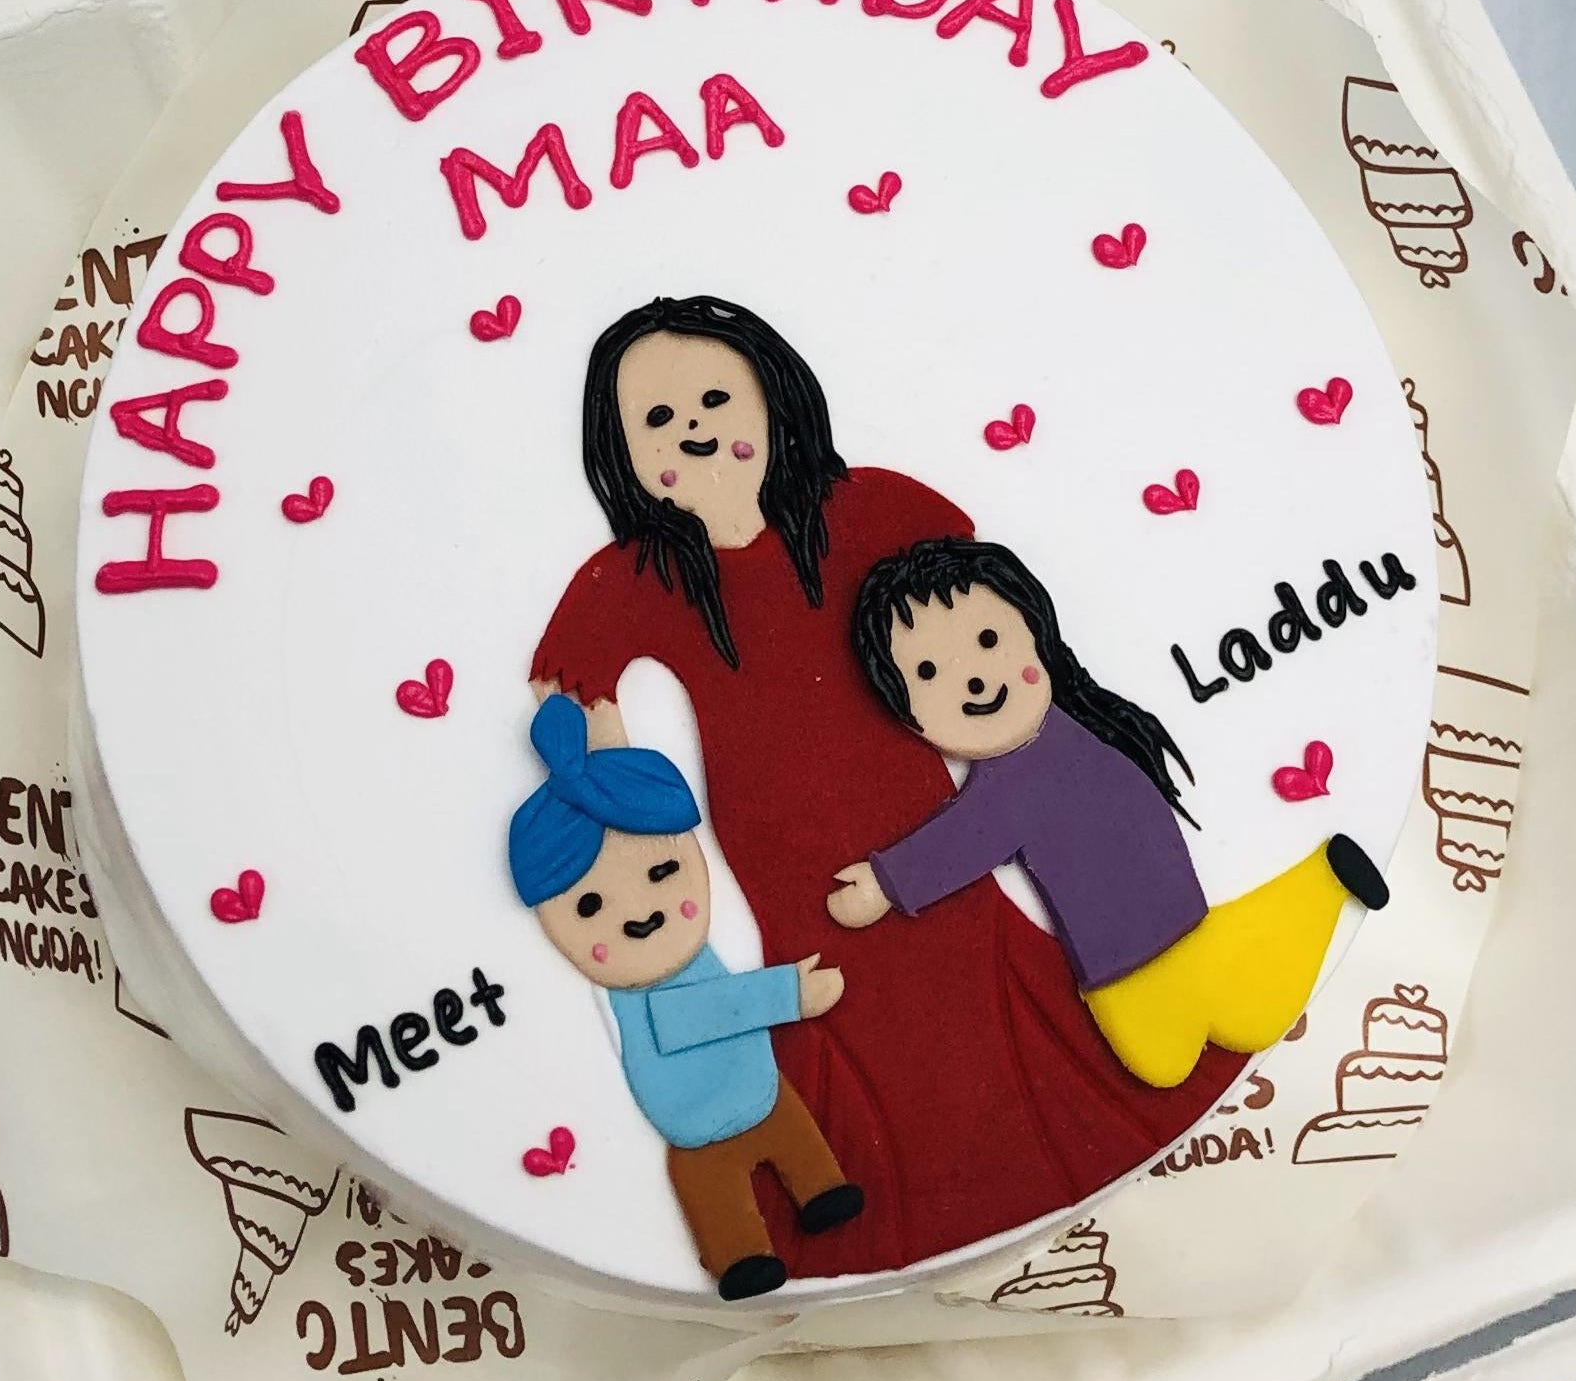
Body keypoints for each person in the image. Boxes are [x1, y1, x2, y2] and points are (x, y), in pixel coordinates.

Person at [530, 293, 1237, 1275]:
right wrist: (619, 803)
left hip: (915, 812)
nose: (690, 427)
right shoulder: (642, 573)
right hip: (779, 855)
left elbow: (972, 585)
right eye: (655, 418)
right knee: (840, 1001)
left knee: (965, 969)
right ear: (627, 455)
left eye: (712, 398)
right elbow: (570, 688)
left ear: (773, 399)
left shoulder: (863, 508)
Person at [828, 535, 1389, 1085]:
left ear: (1035, 633)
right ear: (907, 711)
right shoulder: (1062, 744)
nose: (973, 676)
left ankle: (1322, 881)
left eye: (989, 638)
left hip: (1131, 955)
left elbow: (966, 839)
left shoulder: (1022, 776)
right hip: (1151, 932)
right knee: (1192, 1035)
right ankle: (1322, 881)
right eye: (928, 673)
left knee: (1176, 1052)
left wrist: (887, 884)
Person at [508, 696, 864, 1299]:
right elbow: (686, 1016)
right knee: (708, 1175)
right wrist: (786, 993)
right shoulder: (630, 993)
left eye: (661, 873)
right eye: (589, 906)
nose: (640, 913)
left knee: (784, 1118)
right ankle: (741, 1253)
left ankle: (821, 1189)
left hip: (756, 1082)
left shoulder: (703, 947)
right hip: (689, 1114)